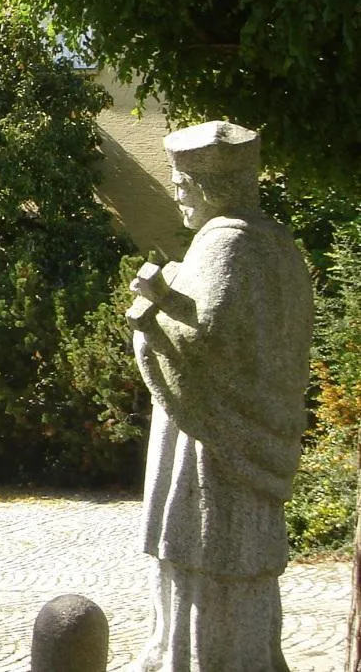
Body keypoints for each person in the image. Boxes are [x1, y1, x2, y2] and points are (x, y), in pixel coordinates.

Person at [126, 121, 313, 671]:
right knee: (220, 559)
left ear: (206, 186)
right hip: (243, 434)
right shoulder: (272, 241)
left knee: (207, 554)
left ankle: (197, 660)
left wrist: (149, 312)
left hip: (214, 445)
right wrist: (170, 295)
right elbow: (228, 330)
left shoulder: (228, 243)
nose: (178, 198)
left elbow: (210, 346)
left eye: (182, 187)